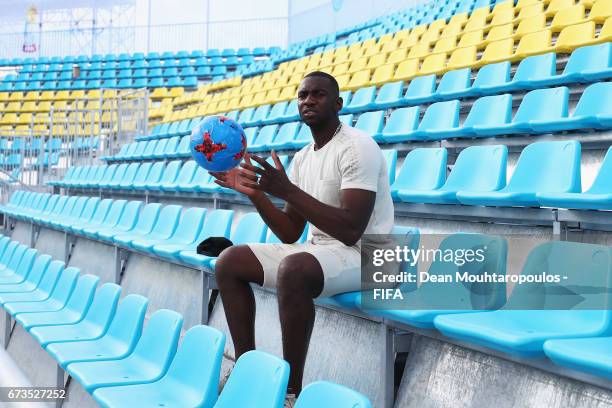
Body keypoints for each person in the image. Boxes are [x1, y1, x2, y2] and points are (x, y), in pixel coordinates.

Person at [210, 71, 395, 404]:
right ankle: (247, 369)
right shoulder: (304, 157)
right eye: (303, 95)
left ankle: (288, 393)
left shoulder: (358, 147)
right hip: (323, 250)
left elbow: (352, 229)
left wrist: (287, 190)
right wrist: (256, 194)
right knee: (229, 261)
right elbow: (290, 231)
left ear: (338, 103)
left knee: (294, 270)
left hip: (372, 255)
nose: (309, 100)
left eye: (319, 94)